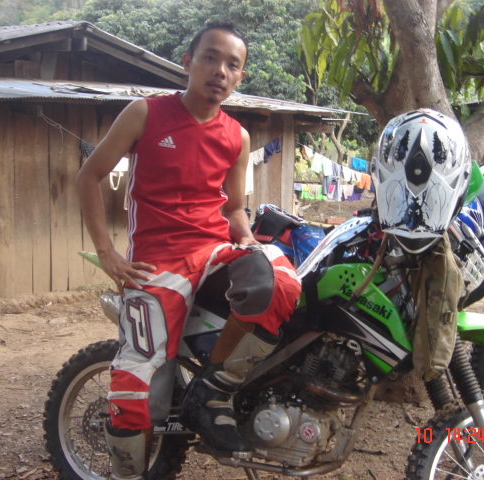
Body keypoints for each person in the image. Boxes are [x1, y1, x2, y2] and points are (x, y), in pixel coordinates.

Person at [76, 21, 301, 480]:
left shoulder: (237, 137)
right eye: (210, 58)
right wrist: (107, 253)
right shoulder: (145, 113)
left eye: (232, 64)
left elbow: (234, 207)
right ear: (188, 62)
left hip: (213, 250)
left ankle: (213, 392)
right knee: (136, 393)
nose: (220, 70)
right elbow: (88, 176)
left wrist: (246, 240)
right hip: (156, 262)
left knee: (281, 278)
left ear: (240, 76)